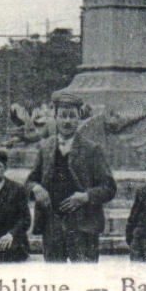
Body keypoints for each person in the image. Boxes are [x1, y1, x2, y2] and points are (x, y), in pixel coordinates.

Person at [26, 92, 116, 262]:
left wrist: (86, 196)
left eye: (72, 116)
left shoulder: (92, 149)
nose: (67, 121)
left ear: (79, 118)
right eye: (63, 116)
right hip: (52, 226)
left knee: (83, 279)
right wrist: (36, 188)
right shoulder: (46, 148)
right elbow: (29, 182)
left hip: (83, 227)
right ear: (55, 118)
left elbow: (109, 188)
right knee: (55, 281)